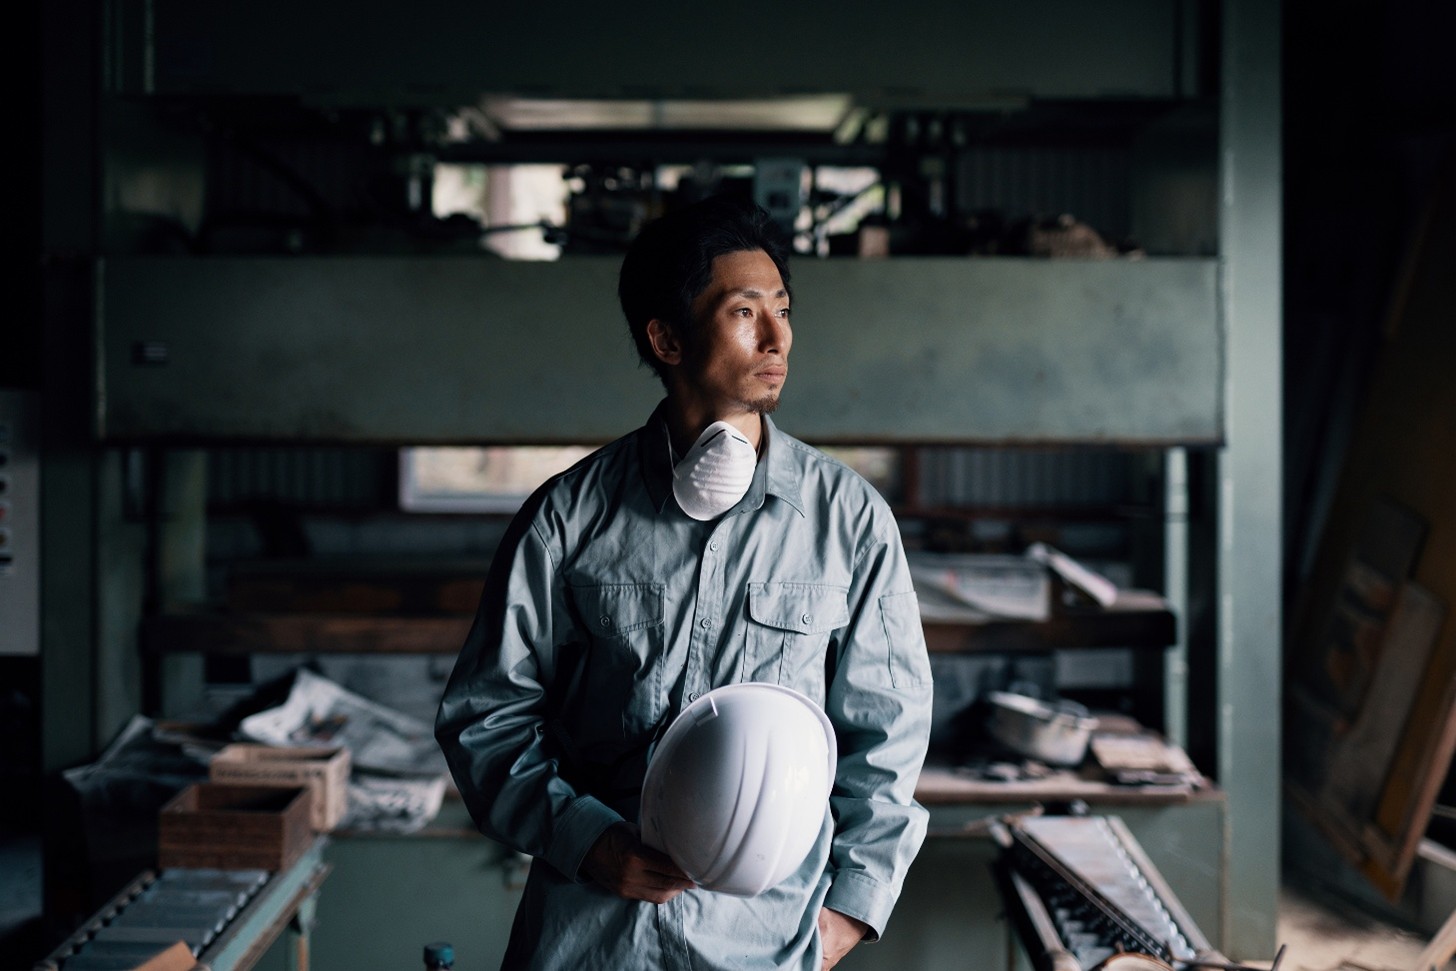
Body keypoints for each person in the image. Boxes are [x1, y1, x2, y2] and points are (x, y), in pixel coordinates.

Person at [436, 195, 932, 970]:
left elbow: (888, 734)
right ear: (666, 338)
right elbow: (485, 717)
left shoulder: (848, 519)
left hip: (765, 945)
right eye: (744, 312)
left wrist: (848, 911)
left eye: (783, 310)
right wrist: (587, 839)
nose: (778, 337)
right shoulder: (569, 516)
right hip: (592, 938)